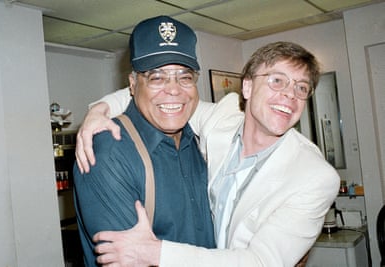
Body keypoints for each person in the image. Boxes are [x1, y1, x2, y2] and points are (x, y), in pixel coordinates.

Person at [76, 41, 340, 266]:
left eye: (301, 88)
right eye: (277, 81)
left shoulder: (315, 176)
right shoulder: (221, 119)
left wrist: (154, 252)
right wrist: (98, 111)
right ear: (246, 88)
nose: (289, 96)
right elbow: (165, 96)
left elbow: (261, 262)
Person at [72, 15, 216, 266]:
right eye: (157, 77)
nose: (174, 89)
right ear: (132, 83)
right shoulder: (108, 152)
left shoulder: (198, 141)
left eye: (185, 77)